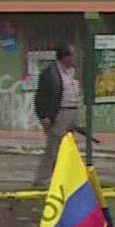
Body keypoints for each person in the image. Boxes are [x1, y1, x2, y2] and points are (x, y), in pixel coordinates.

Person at [32, 44, 80, 186]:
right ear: (64, 57)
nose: (74, 58)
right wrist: (44, 116)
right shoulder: (51, 73)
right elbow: (41, 96)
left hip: (72, 110)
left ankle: (64, 177)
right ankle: (43, 178)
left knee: (68, 147)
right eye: (71, 55)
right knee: (54, 146)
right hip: (58, 112)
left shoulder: (72, 72)